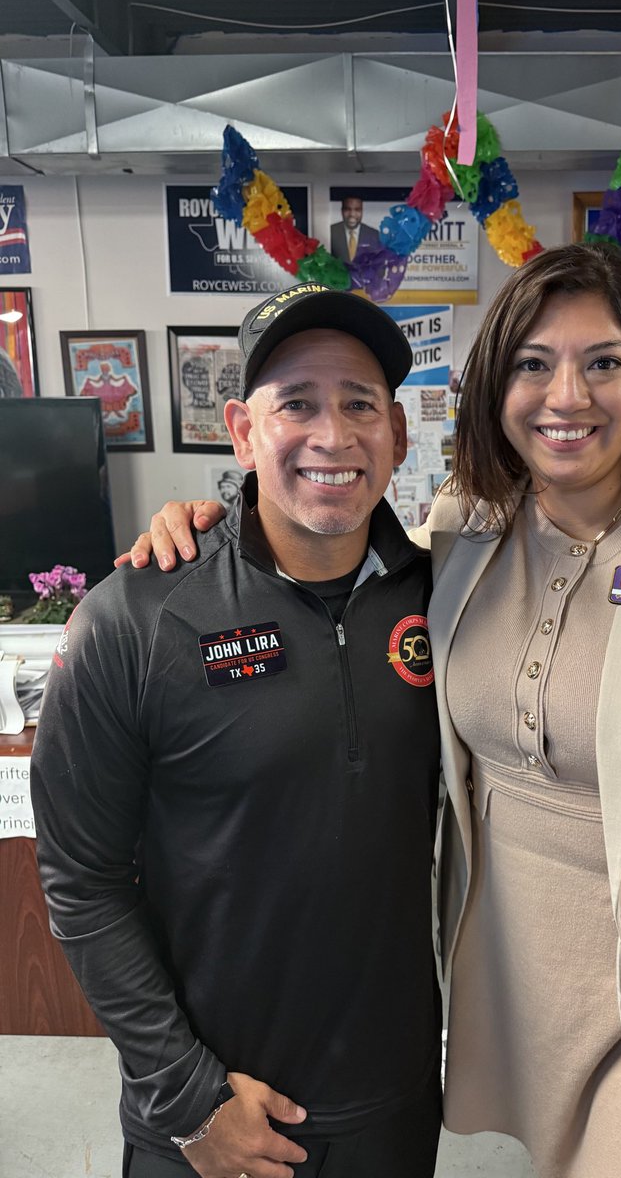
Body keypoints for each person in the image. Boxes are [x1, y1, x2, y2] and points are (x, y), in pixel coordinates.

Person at [123, 244, 621, 1178]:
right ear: (495, 389)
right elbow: (320, 532)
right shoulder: (468, 529)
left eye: (604, 363)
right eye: (533, 364)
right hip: (513, 988)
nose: (567, 396)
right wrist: (212, 524)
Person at [31, 282, 444, 1178]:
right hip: (210, 1115)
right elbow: (81, 881)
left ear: (399, 435)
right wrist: (187, 1097)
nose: (332, 436)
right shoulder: (135, 618)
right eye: (295, 403)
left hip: (396, 1103)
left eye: (360, 404)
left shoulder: (449, 601)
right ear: (242, 431)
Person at [329, 196, 380, 264]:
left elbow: (378, 266)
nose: (352, 214)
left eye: (357, 209)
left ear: (362, 211)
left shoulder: (374, 235)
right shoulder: (331, 232)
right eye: (347, 209)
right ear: (341, 211)